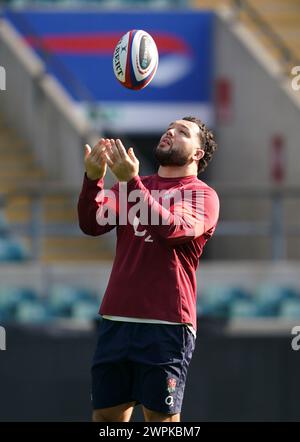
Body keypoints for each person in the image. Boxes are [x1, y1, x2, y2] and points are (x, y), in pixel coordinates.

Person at [77, 116, 219, 422]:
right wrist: (92, 179)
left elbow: (172, 230)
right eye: (170, 127)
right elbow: (91, 223)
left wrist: (130, 183)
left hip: (165, 323)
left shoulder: (201, 195)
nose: (170, 132)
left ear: (197, 153)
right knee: (106, 417)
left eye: (182, 132)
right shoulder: (138, 186)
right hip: (116, 318)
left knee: (161, 422)